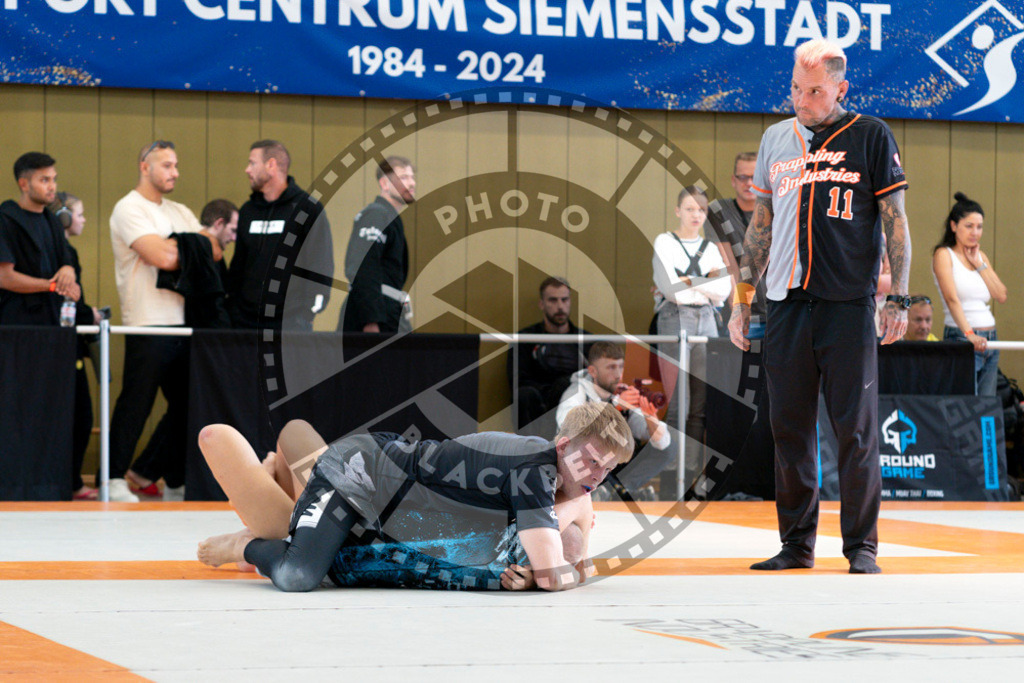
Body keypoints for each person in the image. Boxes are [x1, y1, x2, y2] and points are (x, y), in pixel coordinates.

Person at [728, 39, 911, 574]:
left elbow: (895, 219)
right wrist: (744, 301)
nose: (801, 100)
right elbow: (760, 227)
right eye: (795, 89)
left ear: (840, 88)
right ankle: (796, 545)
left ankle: (862, 547)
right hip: (786, 304)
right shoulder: (773, 140)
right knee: (788, 426)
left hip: (848, 303)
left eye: (813, 91)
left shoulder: (871, 135)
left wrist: (896, 295)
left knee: (855, 429)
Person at [195, 401, 632, 592]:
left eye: (607, 469)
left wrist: (563, 560)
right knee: (297, 575)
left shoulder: (562, 479)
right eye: (591, 462)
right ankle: (246, 546)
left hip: (388, 516)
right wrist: (567, 561)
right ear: (561, 445)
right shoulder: (533, 474)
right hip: (361, 478)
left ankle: (283, 472)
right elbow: (560, 573)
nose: (595, 476)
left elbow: (563, 562)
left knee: (297, 459)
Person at [109, 140, 217, 503]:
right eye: (167, 165)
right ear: (144, 166)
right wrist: (189, 247)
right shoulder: (128, 208)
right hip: (146, 322)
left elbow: (214, 249)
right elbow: (159, 256)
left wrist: (181, 247)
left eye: (176, 165)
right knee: (136, 403)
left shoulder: (179, 210)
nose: (175, 172)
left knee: (189, 404)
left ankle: (171, 476)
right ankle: (112, 477)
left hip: (185, 322)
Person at [652, 186, 731, 496]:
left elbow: (724, 292)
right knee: (676, 404)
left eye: (701, 209)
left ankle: (692, 475)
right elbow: (669, 291)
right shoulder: (664, 241)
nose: (696, 215)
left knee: (699, 405)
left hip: (707, 321)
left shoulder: (712, 247)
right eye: (689, 209)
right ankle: (671, 477)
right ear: (677, 211)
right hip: (675, 317)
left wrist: (688, 281)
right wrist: (705, 281)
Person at [226, 140, 333, 331]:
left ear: (271, 165)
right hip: (245, 323)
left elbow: (320, 265)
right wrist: (233, 309)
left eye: (252, 163)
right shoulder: (248, 211)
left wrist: (307, 313)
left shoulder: (307, 209)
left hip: (290, 324)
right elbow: (238, 266)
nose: (247, 170)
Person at [556, 341, 670, 501]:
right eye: (611, 367)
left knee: (670, 444)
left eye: (620, 366)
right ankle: (601, 492)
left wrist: (650, 415)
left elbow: (662, 443)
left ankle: (618, 491)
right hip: (582, 463)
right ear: (593, 371)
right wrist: (614, 408)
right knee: (587, 447)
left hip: (610, 464)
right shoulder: (577, 391)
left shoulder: (621, 392)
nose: (618, 374)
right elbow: (569, 429)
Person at [50, 192, 105, 500]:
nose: (83, 219)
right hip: (64, 345)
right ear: (64, 218)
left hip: (67, 343)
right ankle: (72, 482)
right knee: (80, 415)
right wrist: (91, 314)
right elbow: (67, 300)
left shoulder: (64, 252)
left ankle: (71, 481)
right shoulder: (63, 254)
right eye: (80, 214)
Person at [932, 193, 1008, 396]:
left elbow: (1000, 295)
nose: (975, 232)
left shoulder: (980, 256)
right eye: (969, 226)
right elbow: (951, 299)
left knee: (985, 404)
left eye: (979, 227)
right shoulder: (943, 254)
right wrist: (969, 334)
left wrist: (979, 264)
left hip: (991, 338)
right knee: (964, 405)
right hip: (962, 337)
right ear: (954, 226)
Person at [0, 152, 80, 325]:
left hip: (52, 319)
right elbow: (4, 277)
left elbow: (65, 262)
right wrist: (52, 286)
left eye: (54, 179)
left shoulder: (53, 221)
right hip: (16, 322)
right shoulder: (6, 219)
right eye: (44, 180)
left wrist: (68, 270)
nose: (52, 186)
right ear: (24, 184)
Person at [338, 156, 415, 333]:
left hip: (387, 311)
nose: (411, 183)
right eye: (403, 178)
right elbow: (362, 266)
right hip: (374, 317)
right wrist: (371, 319)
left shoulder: (389, 218)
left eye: (412, 177)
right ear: (385, 184)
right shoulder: (376, 215)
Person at [508, 277, 590, 437]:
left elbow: (594, 382)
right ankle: (528, 452)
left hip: (572, 403)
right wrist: (552, 391)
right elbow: (517, 380)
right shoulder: (525, 339)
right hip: (536, 404)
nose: (560, 306)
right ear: (542, 304)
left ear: (570, 301)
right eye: (553, 300)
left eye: (564, 300)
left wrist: (562, 388)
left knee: (572, 387)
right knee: (524, 395)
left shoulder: (586, 341)